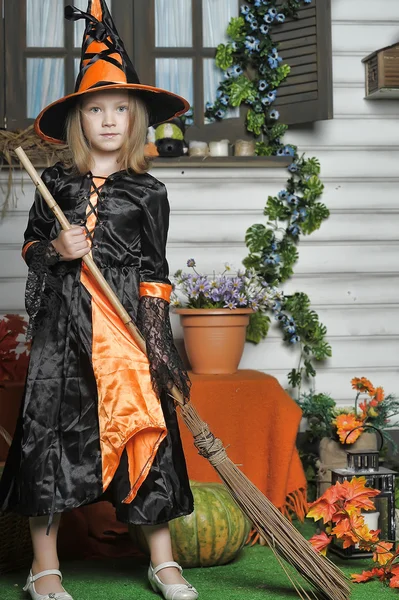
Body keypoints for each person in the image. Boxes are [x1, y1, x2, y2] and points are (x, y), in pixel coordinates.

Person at [0, 2, 198, 599]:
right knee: (49, 435)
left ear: (135, 119)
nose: (108, 120)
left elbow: (156, 271)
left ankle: (162, 561)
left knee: (146, 429)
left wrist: (157, 343)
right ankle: (45, 567)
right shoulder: (55, 184)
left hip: (124, 332)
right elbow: (32, 250)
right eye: (94, 109)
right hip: (64, 332)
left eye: (119, 109)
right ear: (77, 120)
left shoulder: (148, 190)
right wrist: (57, 247)